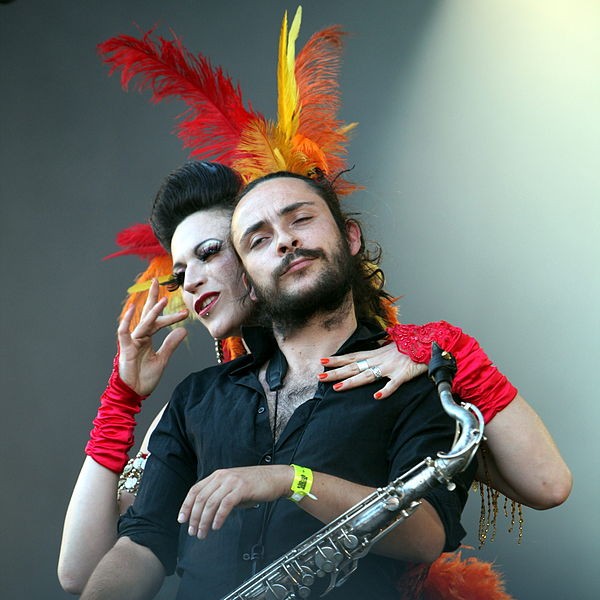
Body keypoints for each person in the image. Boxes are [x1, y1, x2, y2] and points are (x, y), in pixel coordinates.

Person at [58, 161, 570, 598]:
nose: (284, 241)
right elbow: (118, 554)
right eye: (259, 239)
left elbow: (456, 520)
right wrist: (121, 398)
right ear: (250, 275)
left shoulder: (412, 377)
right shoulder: (196, 398)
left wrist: (291, 479)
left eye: (300, 220)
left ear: (350, 237)